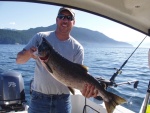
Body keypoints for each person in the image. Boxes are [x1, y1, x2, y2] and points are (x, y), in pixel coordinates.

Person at [16, 7, 98, 113]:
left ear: (73, 22)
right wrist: (28, 53)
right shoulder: (40, 38)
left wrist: (86, 91)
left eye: (69, 17)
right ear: (56, 20)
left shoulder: (77, 48)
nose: (65, 20)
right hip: (39, 100)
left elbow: (79, 76)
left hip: (63, 103)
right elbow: (19, 60)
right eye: (61, 17)